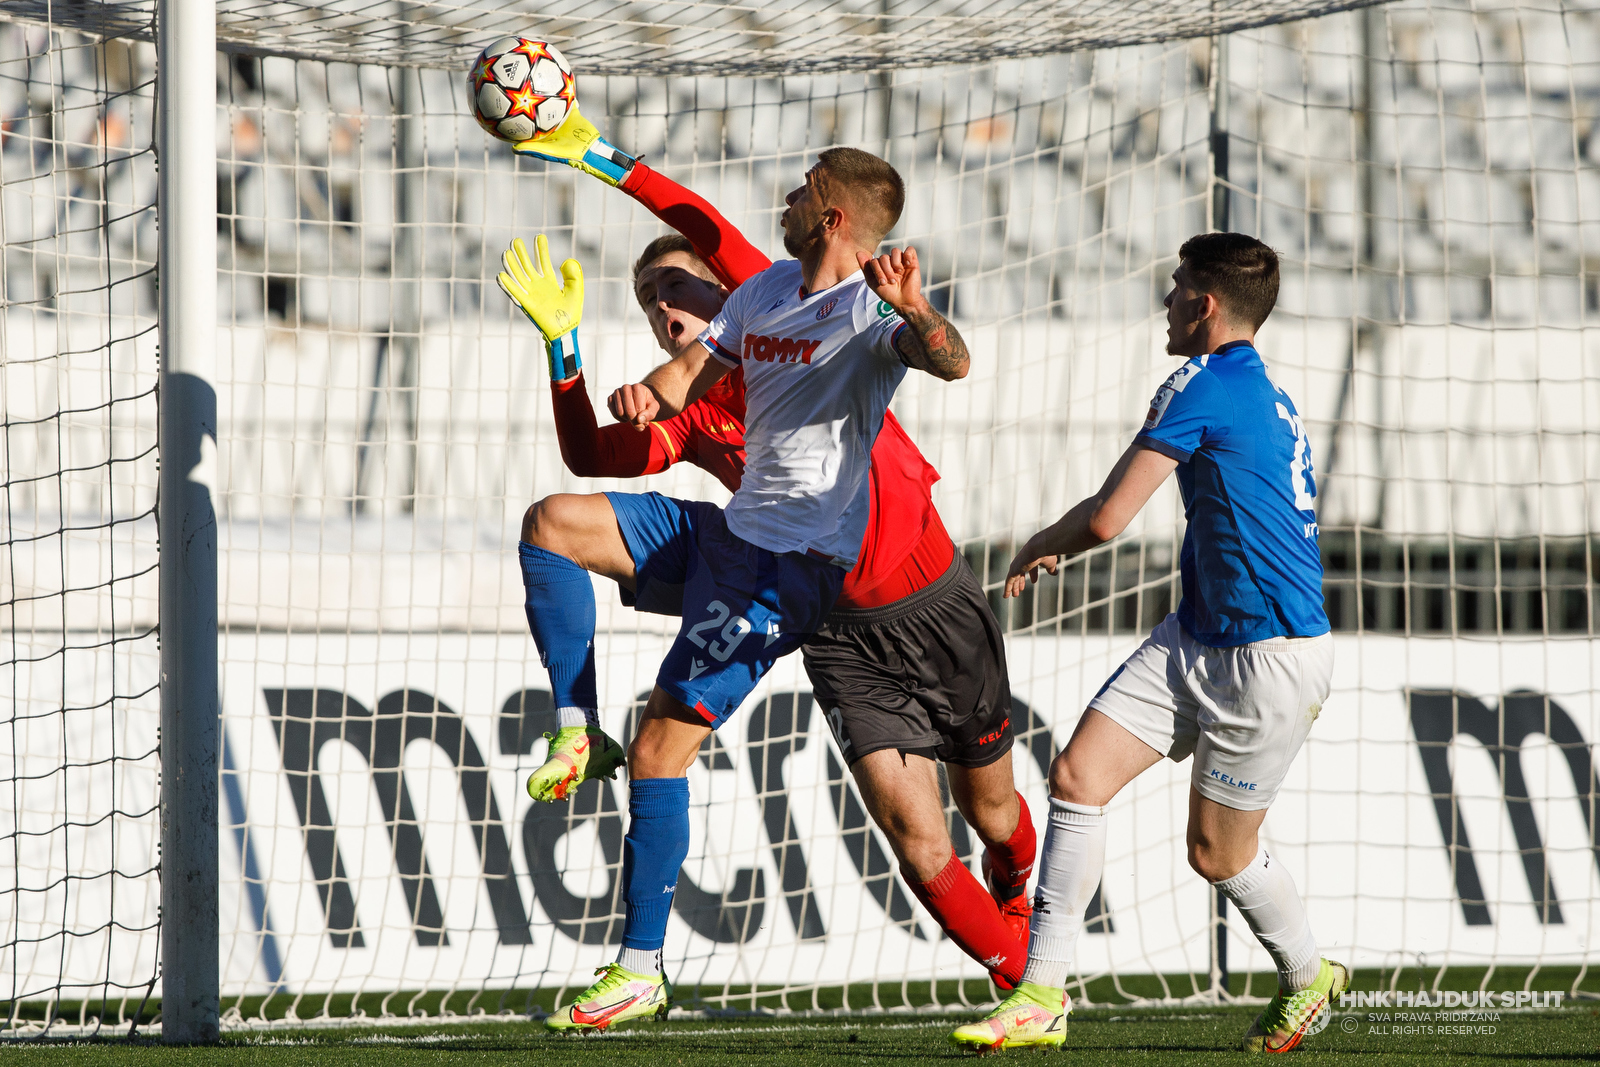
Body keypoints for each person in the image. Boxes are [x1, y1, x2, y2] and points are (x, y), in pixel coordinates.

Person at [502, 112, 1039, 1002]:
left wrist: (591, 152)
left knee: (992, 812)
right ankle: (578, 733)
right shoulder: (723, 365)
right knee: (556, 523)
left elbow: (710, 222)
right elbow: (602, 451)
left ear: (723, 282)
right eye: (646, 302)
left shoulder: (806, 295)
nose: (663, 310)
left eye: (676, 287)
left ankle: (1023, 909)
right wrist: (568, 352)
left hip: (920, 592)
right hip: (803, 596)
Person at [949, 233, 1344, 1054]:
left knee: (1215, 853)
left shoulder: (1200, 380)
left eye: (1175, 288)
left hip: (1266, 659)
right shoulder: (1258, 387)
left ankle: (1310, 976)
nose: (1165, 301)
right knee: (1077, 774)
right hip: (1196, 632)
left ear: (1203, 304)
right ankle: (1043, 994)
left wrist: (1040, 540)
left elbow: (1107, 517)